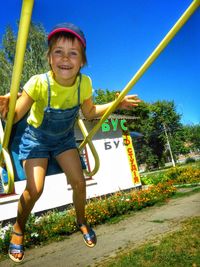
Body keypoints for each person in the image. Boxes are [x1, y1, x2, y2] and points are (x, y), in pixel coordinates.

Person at [0, 22, 141, 263]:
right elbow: (14, 117)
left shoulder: (84, 84)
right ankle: (19, 228)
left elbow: (90, 111)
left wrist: (116, 104)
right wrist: (5, 109)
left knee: (79, 182)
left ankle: (81, 221)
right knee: (35, 189)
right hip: (37, 140)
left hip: (64, 140)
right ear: (49, 58)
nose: (65, 58)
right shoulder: (38, 82)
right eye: (58, 51)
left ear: (82, 60)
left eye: (73, 53)